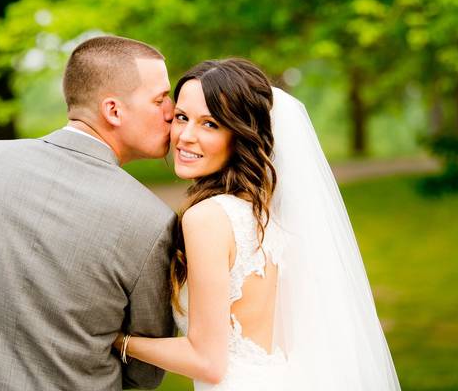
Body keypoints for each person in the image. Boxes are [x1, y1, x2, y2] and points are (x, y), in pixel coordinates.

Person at [0, 35, 178, 391]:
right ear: (113, 110)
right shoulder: (152, 221)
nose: (171, 111)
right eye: (160, 98)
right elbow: (145, 368)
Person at [114, 58, 401, 390]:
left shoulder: (207, 218)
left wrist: (119, 341)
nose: (186, 136)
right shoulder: (261, 213)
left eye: (210, 124)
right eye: (181, 117)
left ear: (241, 135)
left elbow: (207, 361)